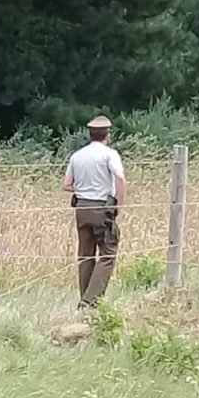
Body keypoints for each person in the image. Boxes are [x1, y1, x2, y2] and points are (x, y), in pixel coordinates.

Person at [62, 115, 126, 309]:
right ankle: (89, 302)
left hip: (81, 208)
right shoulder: (110, 154)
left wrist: (84, 189)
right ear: (107, 134)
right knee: (108, 254)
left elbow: (66, 185)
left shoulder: (77, 156)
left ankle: (85, 298)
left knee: (85, 255)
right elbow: (120, 178)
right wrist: (117, 205)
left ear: (90, 134)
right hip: (102, 208)